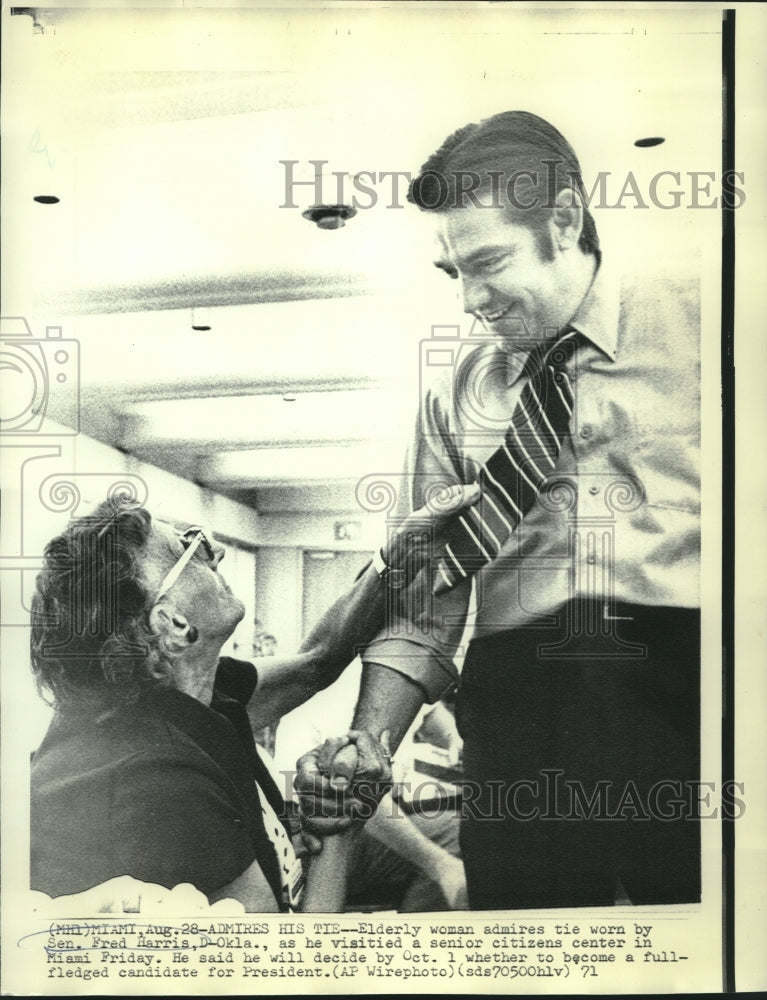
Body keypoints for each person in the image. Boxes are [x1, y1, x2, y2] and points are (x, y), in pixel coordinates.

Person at [299, 110, 701, 910]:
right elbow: (427, 600)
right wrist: (372, 741)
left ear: (564, 221)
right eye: (453, 272)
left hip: (689, 683)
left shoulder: (710, 328)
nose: (471, 300)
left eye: (487, 262)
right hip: (520, 709)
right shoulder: (456, 399)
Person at [29, 484, 478, 911]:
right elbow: (282, 971)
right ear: (174, 625)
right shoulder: (159, 780)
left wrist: (394, 558)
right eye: (195, 549)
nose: (218, 551)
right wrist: (339, 824)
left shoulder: (179, 698)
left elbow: (317, 661)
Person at [274, 661, 466, 911]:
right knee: (456, 840)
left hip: (361, 816)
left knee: (464, 826)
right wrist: (441, 867)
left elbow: (430, 713)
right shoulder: (346, 684)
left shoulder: (396, 670)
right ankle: (422, 944)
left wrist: (452, 739)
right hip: (310, 841)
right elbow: (353, 798)